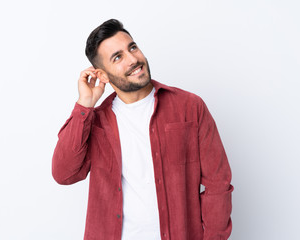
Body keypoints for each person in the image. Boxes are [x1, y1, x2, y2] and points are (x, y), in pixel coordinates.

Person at [52, 19, 233, 240]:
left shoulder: (190, 107)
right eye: (117, 57)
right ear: (103, 76)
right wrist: (85, 106)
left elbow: (218, 185)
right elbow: (64, 174)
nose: (133, 59)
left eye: (133, 47)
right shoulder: (96, 122)